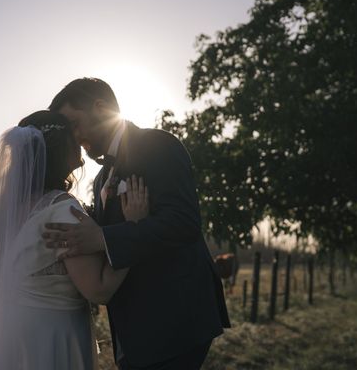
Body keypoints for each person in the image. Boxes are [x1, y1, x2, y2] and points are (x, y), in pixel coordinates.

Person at [0, 110, 148, 370]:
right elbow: (98, 289)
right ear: (60, 149)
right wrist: (135, 230)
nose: (79, 140)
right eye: (73, 136)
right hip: (47, 340)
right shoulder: (62, 210)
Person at [43, 78, 230, 370]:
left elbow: (183, 221)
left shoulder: (158, 144)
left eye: (75, 124)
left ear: (101, 108)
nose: (74, 137)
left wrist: (103, 238)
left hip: (175, 320)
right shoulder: (101, 178)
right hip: (134, 327)